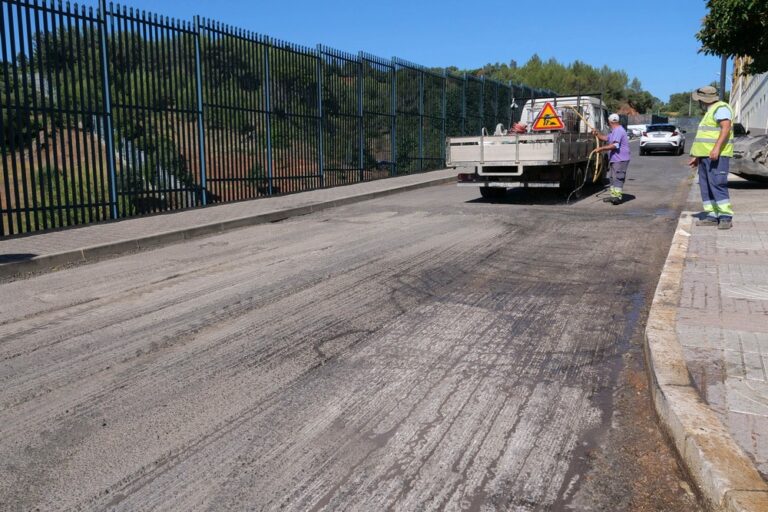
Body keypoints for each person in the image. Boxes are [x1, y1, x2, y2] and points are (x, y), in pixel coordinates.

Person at [688, 86, 735, 230]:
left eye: (699, 100)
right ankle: (712, 215)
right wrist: (697, 157)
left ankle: (725, 217)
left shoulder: (720, 108)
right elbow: (706, 136)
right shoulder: (710, 112)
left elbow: (725, 128)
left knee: (718, 184)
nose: (698, 103)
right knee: (706, 186)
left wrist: (716, 148)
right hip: (705, 156)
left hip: (717, 156)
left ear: (703, 99)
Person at [593, 113, 630, 205]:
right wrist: (597, 134)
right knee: (612, 178)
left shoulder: (618, 131)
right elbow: (606, 138)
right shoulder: (614, 131)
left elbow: (615, 145)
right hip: (615, 159)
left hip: (621, 159)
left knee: (618, 177)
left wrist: (601, 149)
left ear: (610, 122)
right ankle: (613, 196)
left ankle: (617, 197)